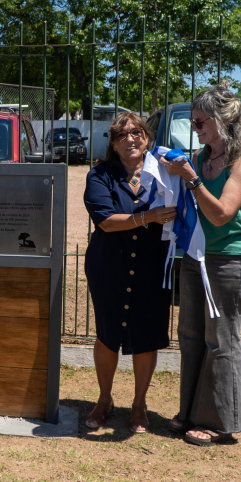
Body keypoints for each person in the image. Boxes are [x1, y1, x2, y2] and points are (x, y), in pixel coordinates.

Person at [161, 81, 241, 447]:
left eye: (202, 121)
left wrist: (190, 179)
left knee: (221, 341)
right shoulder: (201, 156)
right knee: (190, 336)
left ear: (225, 119)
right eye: (194, 120)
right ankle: (190, 412)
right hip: (195, 255)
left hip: (229, 261)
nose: (195, 127)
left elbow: (220, 214)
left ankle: (220, 421)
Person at [82, 112, 177, 433]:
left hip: (152, 264)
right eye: (121, 135)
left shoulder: (165, 171)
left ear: (147, 137)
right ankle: (104, 399)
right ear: (112, 143)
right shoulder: (100, 175)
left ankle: (139, 405)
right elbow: (106, 221)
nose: (130, 139)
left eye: (136, 132)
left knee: (145, 335)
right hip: (109, 264)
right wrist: (147, 217)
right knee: (108, 334)